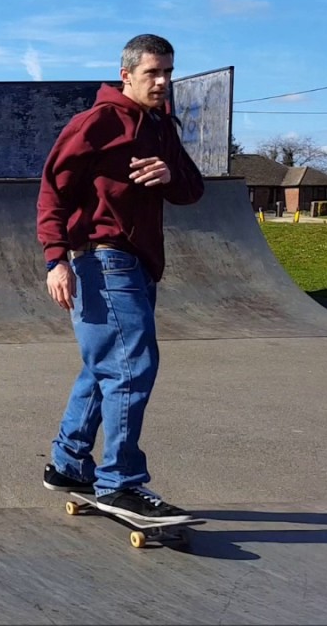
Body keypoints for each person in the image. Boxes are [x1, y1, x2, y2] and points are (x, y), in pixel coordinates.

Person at [36, 34, 205, 523]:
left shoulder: (161, 126)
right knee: (133, 365)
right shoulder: (97, 122)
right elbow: (52, 191)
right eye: (154, 73)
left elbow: (193, 189)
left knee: (104, 368)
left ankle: (69, 464)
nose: (164, 82)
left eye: (169, 72)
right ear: (126, 74)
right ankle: (120, 483)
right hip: (103, 259)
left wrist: (170, 174)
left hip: (140, 263)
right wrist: (56, 259)